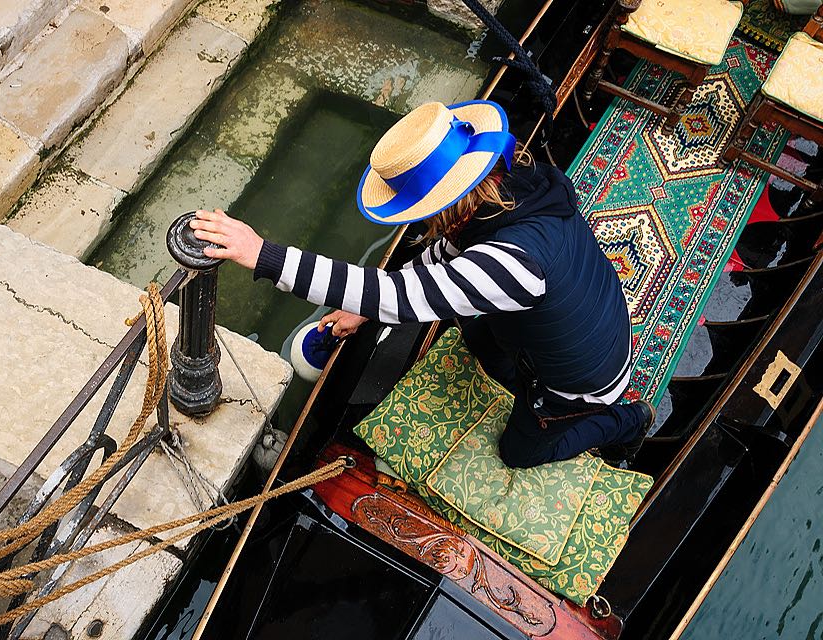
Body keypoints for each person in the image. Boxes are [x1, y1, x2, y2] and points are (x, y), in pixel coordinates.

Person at [188, 100, 654, 468]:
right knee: (467, 325)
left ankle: (628, 421)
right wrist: (368, 309)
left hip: (585, 380)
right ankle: (516, 373)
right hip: (588, 318)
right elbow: (441, 261)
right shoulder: (517, 186)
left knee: (519, 452)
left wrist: (261, 254)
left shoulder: (513, 264)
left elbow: (400, 296)